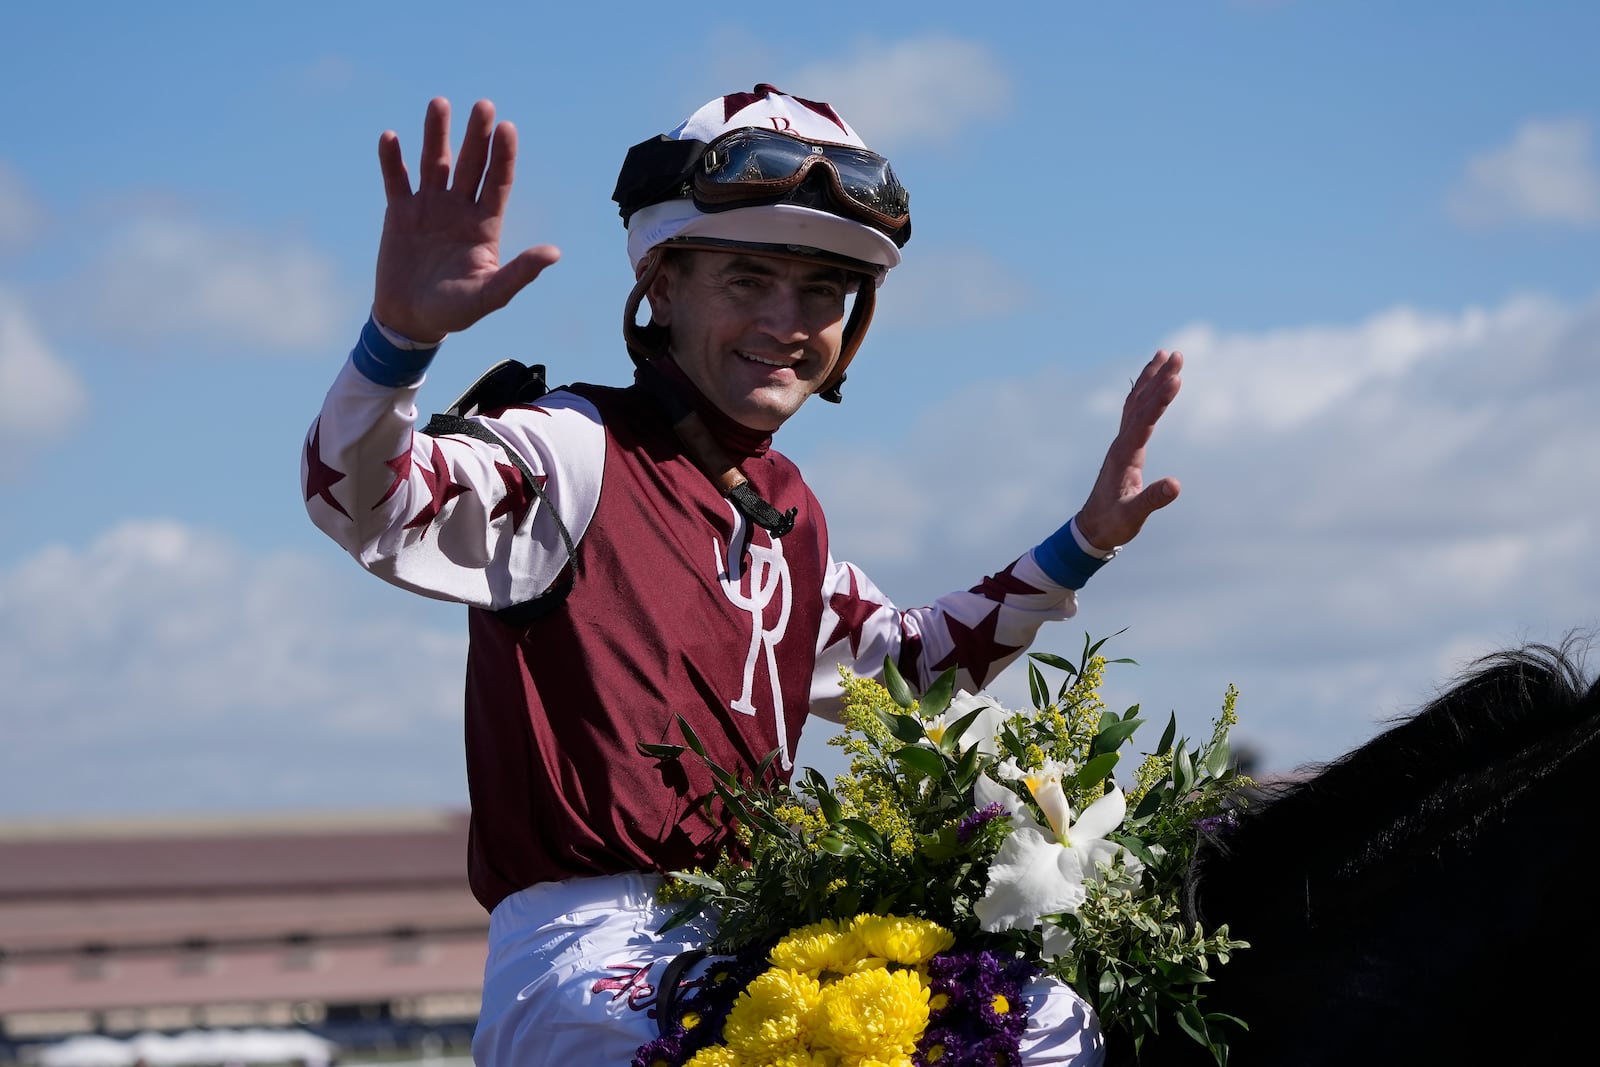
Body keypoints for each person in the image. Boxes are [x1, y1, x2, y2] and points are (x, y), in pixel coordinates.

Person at [302, 85, 1182, 1067]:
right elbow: (366, 502)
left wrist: (1081, 541)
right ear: (664, 286)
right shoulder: (567, 448)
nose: (786, 320)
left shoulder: (788, 509)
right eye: (747, 279)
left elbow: (904, 669)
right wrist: (397, 342)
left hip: (747, 930)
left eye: (821, 292)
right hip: (581, 954)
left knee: (1048, 1025)